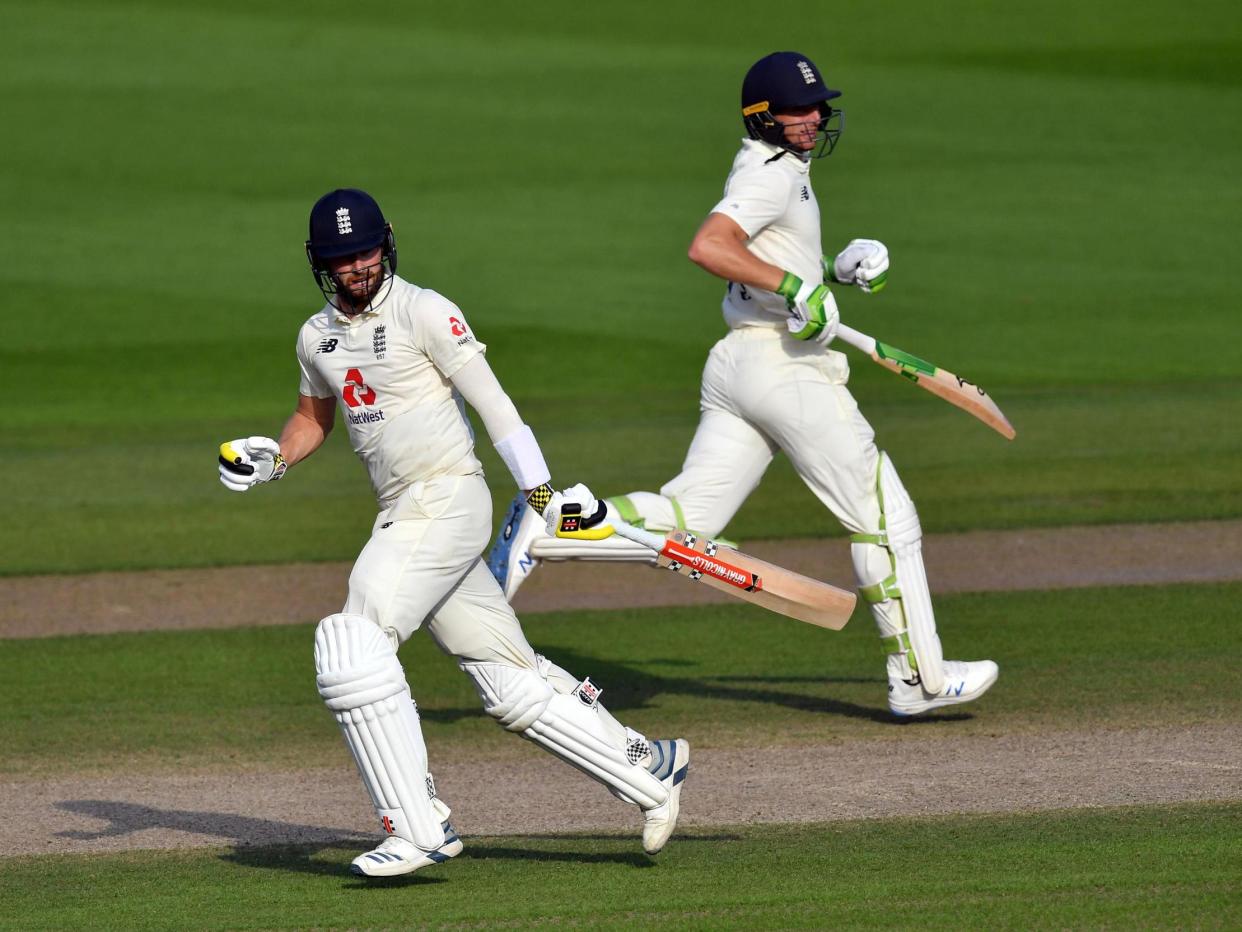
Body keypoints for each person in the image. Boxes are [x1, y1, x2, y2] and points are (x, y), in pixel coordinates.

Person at [488, 52, 998, 718]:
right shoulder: (772, 173)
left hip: (739, 365)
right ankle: (920, 678)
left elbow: (763, 261)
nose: (815, 118)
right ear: (764, 117)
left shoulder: (777, 170)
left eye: (818, 107)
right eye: (799, 110)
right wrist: (792, 287)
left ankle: (550, 524)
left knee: (689, 518)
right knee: (884, 514)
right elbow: (710, 245)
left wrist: (828, 274)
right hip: (788, 374)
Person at [218, 188, 689, 878]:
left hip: (447, 498)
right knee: (506, 678)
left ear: (388, 245)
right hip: (404, 512)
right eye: (344, 259)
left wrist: (545, 495)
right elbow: (314, 418)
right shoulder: (314, 337)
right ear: (321, 264)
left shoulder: (426, 311)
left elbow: (497, 407)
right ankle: (650, 770)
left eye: (368, 251)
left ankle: (419, 827)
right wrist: (276, 458)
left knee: (352, 642)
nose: (359, 267)